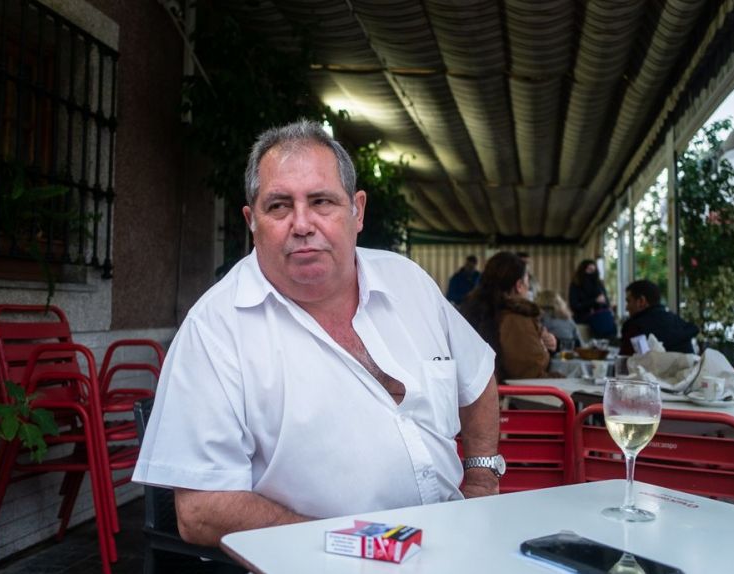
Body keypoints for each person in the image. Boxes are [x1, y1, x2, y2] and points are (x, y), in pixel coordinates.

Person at [133, 120, 501, 546]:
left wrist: (481, 476)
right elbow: (200, 512)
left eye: (322, 201)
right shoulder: (214, 331)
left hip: (453, 545)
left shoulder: (408, 282)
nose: (302, 223)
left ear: (357, 211)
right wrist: (350, 545)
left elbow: (476, 378)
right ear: (252, 221)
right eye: (279, 206)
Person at [459, 251, 560, 380]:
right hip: (508, 395)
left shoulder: (469, 310)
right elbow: (530, 369)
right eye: (527, 280)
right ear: (519, 285)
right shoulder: (516, 319)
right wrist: (543, 347)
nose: (528, 286)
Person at [620, 279, 698, 355]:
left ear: (641, 301)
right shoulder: (678, 323)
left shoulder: (635, 328)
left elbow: (625, 363)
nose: (627, 308)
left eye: (628, 301)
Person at [568, 258, 610, 342]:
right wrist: (594, 301)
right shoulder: (575, 285)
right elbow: (574, 305)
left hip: (599, 317)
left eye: (593, 270)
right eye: (589, 270)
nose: (591, 273)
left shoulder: (598, 284)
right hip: (582, 317)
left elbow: (606, 303)